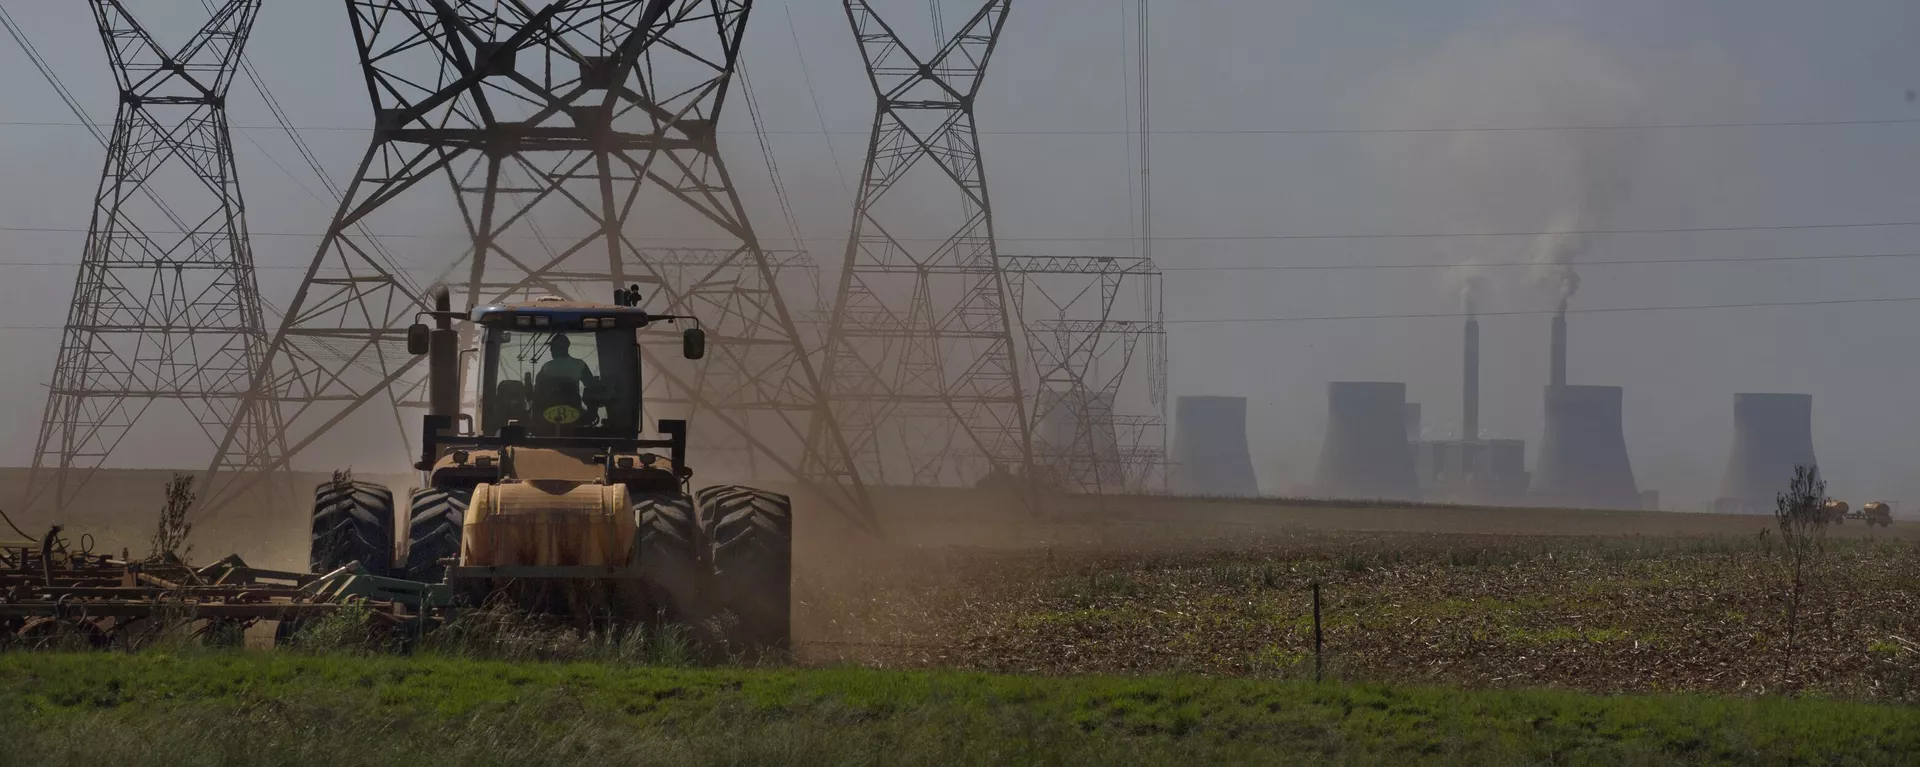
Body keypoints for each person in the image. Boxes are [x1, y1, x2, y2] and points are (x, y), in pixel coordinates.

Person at [534, 334, 599, 428]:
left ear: (556, 348)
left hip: (549, 413)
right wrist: (591, 412)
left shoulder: (547, 367)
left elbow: (538, 392)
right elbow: (591, 386)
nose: (550, 350)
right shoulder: (579, 364)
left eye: (551, 347)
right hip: (575, 409)